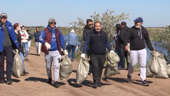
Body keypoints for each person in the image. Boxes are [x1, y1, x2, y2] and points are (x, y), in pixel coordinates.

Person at [124, 17, 155, 86]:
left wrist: (151, 49)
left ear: (141, 23)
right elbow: (126, 38)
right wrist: (126, 45)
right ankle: (129, 74)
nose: (137, 24)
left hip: (142, 50)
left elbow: (147, 40)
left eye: (138, 22)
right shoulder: (131, 30)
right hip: (133, 50)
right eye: (136, 23)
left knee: (143, 64)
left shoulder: (144, 30)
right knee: (133, 64)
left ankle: (143, 79)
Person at [82, 21, 113, 88]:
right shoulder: (90, 33)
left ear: (101, 27)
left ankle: (98, 81)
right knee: (95, 67)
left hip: (102, 54)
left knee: (100, 68)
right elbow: (86, 43)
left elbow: (107, 42)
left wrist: (111, 50)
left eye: (98, 26)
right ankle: (95, 82)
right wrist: (84, 52)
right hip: (93, 54)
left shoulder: (104, 34)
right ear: (94, 26)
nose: (97, 28)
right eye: (96, 26)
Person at [40, 18, 67, 88]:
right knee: (48, 67)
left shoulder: (58, 31)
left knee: (56, 66)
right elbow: (40, 38)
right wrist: (45, 42)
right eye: (51, 23)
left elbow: (62, 40)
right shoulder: (45, 31)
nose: (53, 24)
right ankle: (49, 78)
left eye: (54, 23)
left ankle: (56, 81)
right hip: (48, 52)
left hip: (56, 51)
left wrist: (64, 49)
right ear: (49, 23)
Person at [0, 13, 19, 85]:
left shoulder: (10, 25)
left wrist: (17, 46)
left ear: (6, 18)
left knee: (9, 62)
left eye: (5, 18)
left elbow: (13, 36)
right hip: (0, 47)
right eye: (2, 18)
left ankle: (9, 79)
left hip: (9, 47)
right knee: (1, 64)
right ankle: (1, 78)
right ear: (0, 18)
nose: (4, 19)